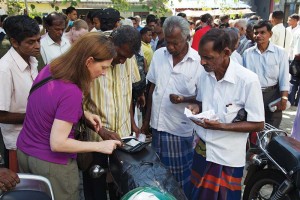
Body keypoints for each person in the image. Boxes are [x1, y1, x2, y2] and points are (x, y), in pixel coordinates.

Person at [16, 32, 121, 200]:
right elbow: (58, 143)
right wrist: (100, 146)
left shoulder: (53, 68)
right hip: (52, 165)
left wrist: (83, 113)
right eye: (103, 68)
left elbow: (50, 105)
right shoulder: (71, 91)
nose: (104, 73)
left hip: (25, 152)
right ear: (89, 62)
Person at [186, 28, 264, 200]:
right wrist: (195, 108)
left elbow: (258, 124)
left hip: (228, 158)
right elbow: (201, 102)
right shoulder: (205, 76)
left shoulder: (247, 80)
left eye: (208, 57)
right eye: (201, 56)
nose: (202, 62)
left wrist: (221, 126)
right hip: (202, 152)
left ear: (226, 52)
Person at [142, 16, 204, 190]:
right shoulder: (160, 54)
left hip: (179, 129)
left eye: (175, 43)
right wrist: (146, 122)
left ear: (186, 38)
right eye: (168, 42)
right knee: (159, 177)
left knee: (180, 179)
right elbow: (152, 88)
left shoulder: (199, 63)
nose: (170, 47)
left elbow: (203, 98)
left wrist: (184, 99)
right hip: (157, 127)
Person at [83, 25, 141, 200]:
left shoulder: (128, 57)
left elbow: (128, 92)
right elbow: (77, 103)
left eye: (127, 57)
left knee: (120, 187)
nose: (123, 61)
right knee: (96, 189)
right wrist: (100, 130)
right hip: (95, 140)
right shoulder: (90, 55)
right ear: (111, 44)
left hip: (121, 138)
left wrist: (133, 124)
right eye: (121, 56)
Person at [0, 15, 41, 173]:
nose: (37, 46)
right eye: (31, 42)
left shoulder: (33, 61)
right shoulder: (4, 69)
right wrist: (36, 115)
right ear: (15, 42)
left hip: (36, 140)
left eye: (38, 40)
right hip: (17, 144)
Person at [243, 20, 289, 128]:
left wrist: (284, 98)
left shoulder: (280, 53)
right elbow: (244, 78)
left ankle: (269, 145)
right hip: (253, 95)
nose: (258, 35)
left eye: (262, 32)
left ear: (270, 34)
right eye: (256, 33)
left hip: (273, 95)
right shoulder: (247, 53)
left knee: (272, 127)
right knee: (252, 125)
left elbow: (284, 77)